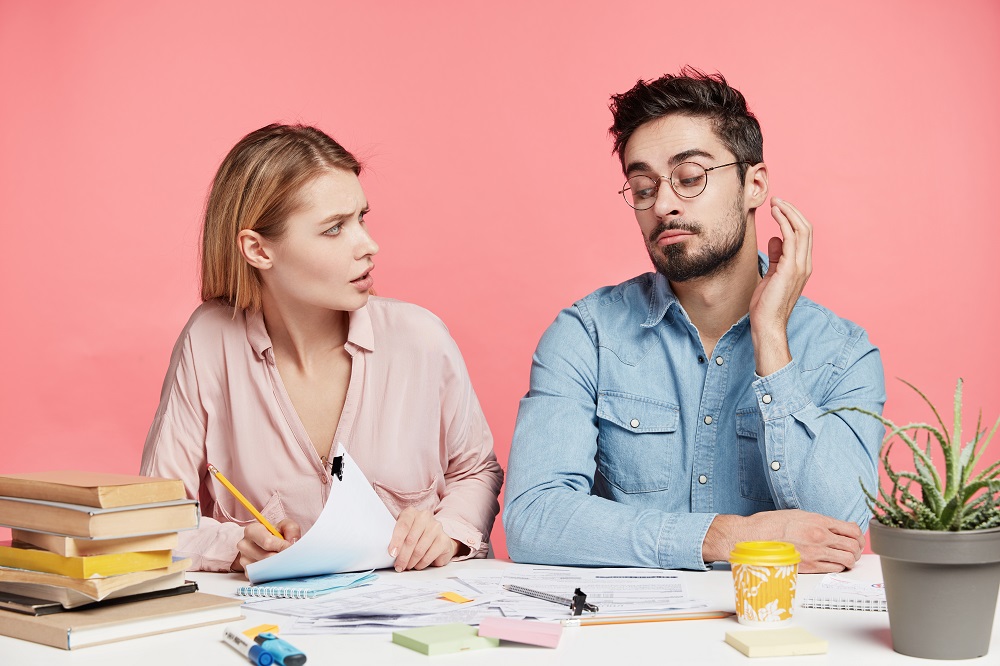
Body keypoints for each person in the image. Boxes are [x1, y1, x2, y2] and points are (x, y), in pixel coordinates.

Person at [503, 68, 885, 574]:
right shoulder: (586, 336)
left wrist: (770, 338)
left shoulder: (842, 353)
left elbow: (842, 532)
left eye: (690, 178)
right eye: (642, 187)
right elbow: (533, 518)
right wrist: (728, 537)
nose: (662, 204)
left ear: (755, 184)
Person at [141, 124, 503, 576]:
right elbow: (150, 518)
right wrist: (233, 545)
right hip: (275, 626)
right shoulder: (209, 340)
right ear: (257, 249)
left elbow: (476, 471)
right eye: (334, 229)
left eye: (361, 218)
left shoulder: (421, 338)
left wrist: (449, 530)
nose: (368, 246)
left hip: (412, 619)